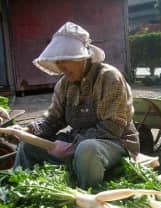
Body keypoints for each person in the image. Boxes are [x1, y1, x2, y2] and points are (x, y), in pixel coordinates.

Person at [13, 22, 140, 189]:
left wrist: (73, 146)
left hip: (115, 142)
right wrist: (30, 131)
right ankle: (20, 191)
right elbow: (53, 119)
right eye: (57, 61)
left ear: (81, 57)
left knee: (87, 150)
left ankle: (89, 197)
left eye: (64, 60)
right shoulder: (64, 84)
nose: (60, 67)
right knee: (28, 145)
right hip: (79, 140)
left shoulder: (108, 77)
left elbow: (112, 127)